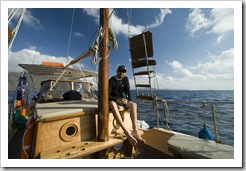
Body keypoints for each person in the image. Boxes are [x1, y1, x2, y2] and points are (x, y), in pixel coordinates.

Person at [109, 65, 145, 146]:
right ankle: (127, 133)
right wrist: (117, 99)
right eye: (120, 71)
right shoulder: (111, 81)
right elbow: (107, 95)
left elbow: (128, 91)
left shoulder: (125, 79)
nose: (122, 72)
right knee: (112, 104)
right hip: (113, 100)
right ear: (117, 71)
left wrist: (128, 102)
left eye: (124, 71)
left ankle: (135, 131)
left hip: (122, 100)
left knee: (134, 104)